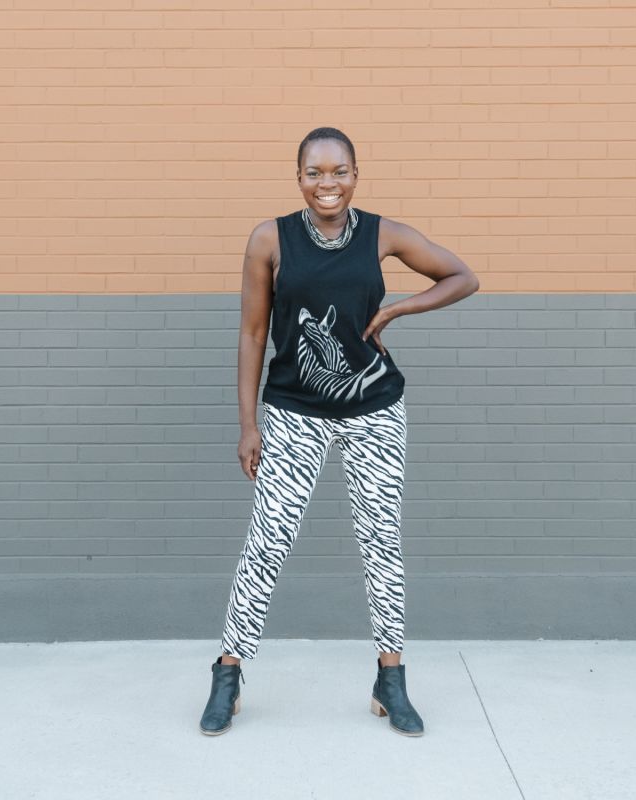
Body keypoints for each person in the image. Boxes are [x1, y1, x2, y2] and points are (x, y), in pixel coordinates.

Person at [199, 126, 479, 737]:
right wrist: (248, 423)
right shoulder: (270, 239)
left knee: (381, 542)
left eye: (339, 171)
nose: (328, 184)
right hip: (293, 410)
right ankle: (228, 672)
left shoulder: (384, 234)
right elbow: (251, 334)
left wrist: (399, 308)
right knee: (268, 541)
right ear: (298, 177)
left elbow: (463, 276)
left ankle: (391, 677)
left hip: (374, 408)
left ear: (356, 173)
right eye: (314, 173)